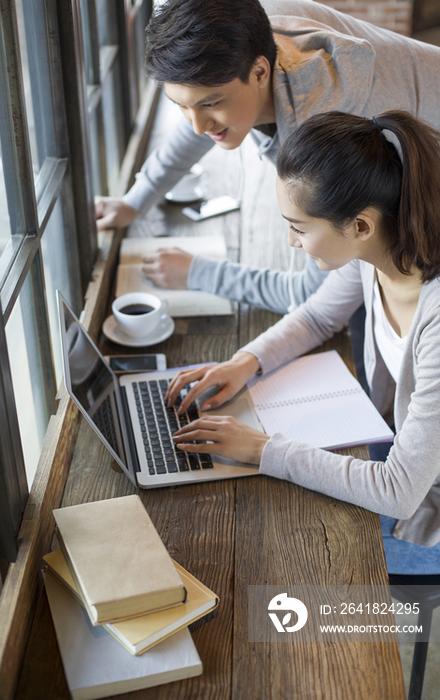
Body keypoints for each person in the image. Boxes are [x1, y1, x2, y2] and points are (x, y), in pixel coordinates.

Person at [165, 110, 440, 574]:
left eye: (298, 227)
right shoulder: (383, 246)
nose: (292, 242)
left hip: (425, 508)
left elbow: (399, 490)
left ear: (360, 225)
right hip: (402, 449)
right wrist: (246, 361)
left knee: (288, 559)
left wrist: (261, 449)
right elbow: (316, 316)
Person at [95, 0, 440, 316]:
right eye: (182, 106)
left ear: (260, 73)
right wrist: (134, 202)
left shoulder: (323, 134)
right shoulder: (250, 30)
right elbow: (199, 111)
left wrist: (198, 273)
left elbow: (309, 297)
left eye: (211, 104)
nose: (198, 126)